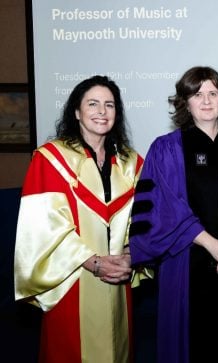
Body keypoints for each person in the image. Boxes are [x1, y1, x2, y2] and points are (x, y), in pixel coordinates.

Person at [129, 66, 218, 363]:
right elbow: (163, 207)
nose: (206, 101)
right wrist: (215, 246)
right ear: (185, 102)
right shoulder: (165, 149)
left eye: (213, 93)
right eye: (197, 94)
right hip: (186, 262)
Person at [14, 75, 143, 362]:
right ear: (77, 112)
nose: (102, 111)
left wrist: (131, 255)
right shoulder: (50, 160)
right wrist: (94, 262)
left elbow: (146, 217)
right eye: (93, 103)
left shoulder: (131, 162)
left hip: (119, 277)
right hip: (72, 279)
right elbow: (43, 228)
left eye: (109, 105)